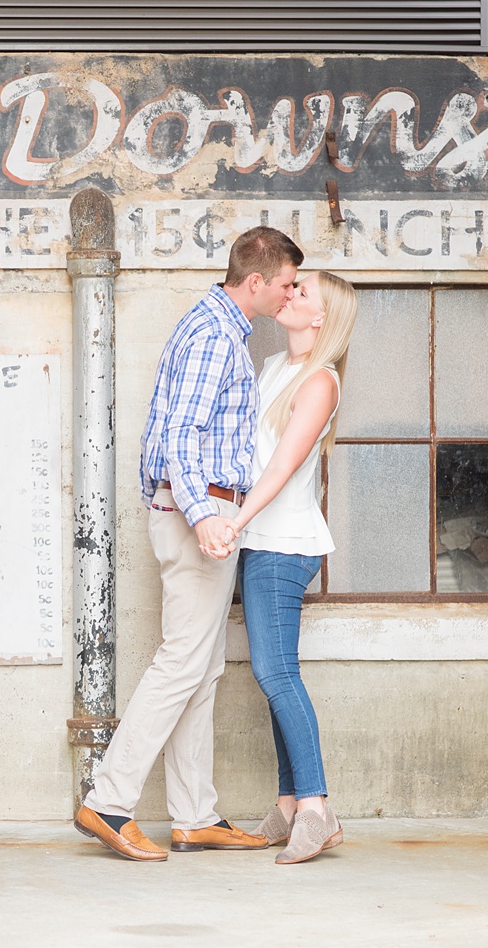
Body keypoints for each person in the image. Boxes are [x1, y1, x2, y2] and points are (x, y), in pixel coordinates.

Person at [74, 226, 303, 862]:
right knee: (181, 664)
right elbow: (179, 434)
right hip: (195, 511)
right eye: (285, 284)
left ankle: (195, 814)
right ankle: (109, 800)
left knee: (198, 669)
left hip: (197, 508)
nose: (289, 295)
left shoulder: (222, 327)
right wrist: (205, 514)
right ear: (255, 281)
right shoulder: (213, 335)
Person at [216, 270, 358, 865]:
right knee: (273, 676)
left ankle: (317, 807)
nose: (290, 294)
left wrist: (234, 519)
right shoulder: (275, 367)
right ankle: (287, 802)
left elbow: (278, 468)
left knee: (278, 676)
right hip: (260, 540)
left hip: (282, 544)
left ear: (321, 318)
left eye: (303, 293)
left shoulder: (320, 381)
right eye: (291, 287)